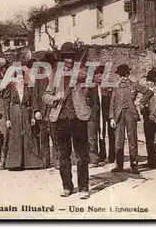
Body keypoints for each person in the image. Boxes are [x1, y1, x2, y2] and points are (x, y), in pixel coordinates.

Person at [43, 42, 92, 199]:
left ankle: (83, 187)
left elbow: (88, 77)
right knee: (63, 154)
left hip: (78, 118)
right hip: (60, 118)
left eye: (71, 56)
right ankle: (67, 186)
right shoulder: (55, 74)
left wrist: (74, 72)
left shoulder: (81, 71)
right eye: (66, 57)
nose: (69, 59)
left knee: (81, 154)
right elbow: (45, 95)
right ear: (63, 57)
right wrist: (54, 98)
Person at [109, 64, 153, 175]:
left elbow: (149, 92)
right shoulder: (116, 87)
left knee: (132, 140)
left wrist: (141, 102)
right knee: (118, 141)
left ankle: (134, 166)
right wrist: (111, 118)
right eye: (121, 76)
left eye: (125, 75)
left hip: (130, 114)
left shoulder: (134, 85)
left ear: (128, 75)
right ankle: (119, 166)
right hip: (118, 115)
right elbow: (112, 103)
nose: (123, 78)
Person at [5, 65, 43, 170]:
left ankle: (31, 163)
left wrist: (32, 117)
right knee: (15, 137)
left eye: (22, 77)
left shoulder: (28, 88)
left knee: (28, 136)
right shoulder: (10, 88)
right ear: (14, 78)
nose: (20, 79)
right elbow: (6, 103)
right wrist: (7, 118)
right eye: (18, 78)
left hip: (26, 113)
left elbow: (32, 103)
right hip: (14, 114)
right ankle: (14, 164)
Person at [32, 53, 59, 169]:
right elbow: (35, 94)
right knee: (43, 137)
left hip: (54, 110)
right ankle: (45, 161)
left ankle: (57, 160)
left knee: (56, 137)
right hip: (42, 112)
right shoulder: (40, 76)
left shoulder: (59, 76)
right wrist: (36, 110)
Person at [87, 65, 109, 168]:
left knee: (102, 136)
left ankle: (103, 155)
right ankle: (93, 159)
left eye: (102, 75)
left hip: (102, 115)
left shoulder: (105, 87)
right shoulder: (90, 87)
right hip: (92, 115)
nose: (100, 77)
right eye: (98, 75)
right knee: (92, 137)